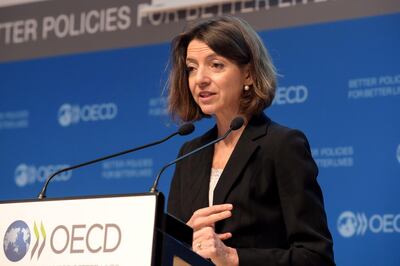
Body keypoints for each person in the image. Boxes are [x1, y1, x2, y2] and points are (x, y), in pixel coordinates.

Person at [166, 16, 335, 266]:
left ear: (248, 74)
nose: (199, 78)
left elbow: (315, 257)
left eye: (215, 65)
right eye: (192, 68)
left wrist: (233, 257)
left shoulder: (282, 146)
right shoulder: (189, 152)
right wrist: (180, 239)